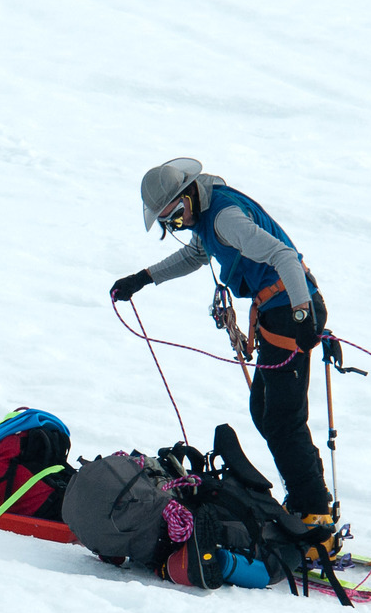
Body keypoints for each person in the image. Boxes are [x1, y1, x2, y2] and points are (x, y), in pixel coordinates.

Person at [109, 158, 334, 538]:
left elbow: (284, 257)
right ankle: (307, 498)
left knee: (282, 419)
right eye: (169, 221)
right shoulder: (208, 215)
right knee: (265, 411)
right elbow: (196, 255)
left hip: (291, 314)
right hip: (275, 311)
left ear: (190, 194)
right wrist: (144, 278)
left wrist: (302, 316)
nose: (176, 224)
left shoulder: (224, 218)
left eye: (176, 214)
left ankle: (314, 512)